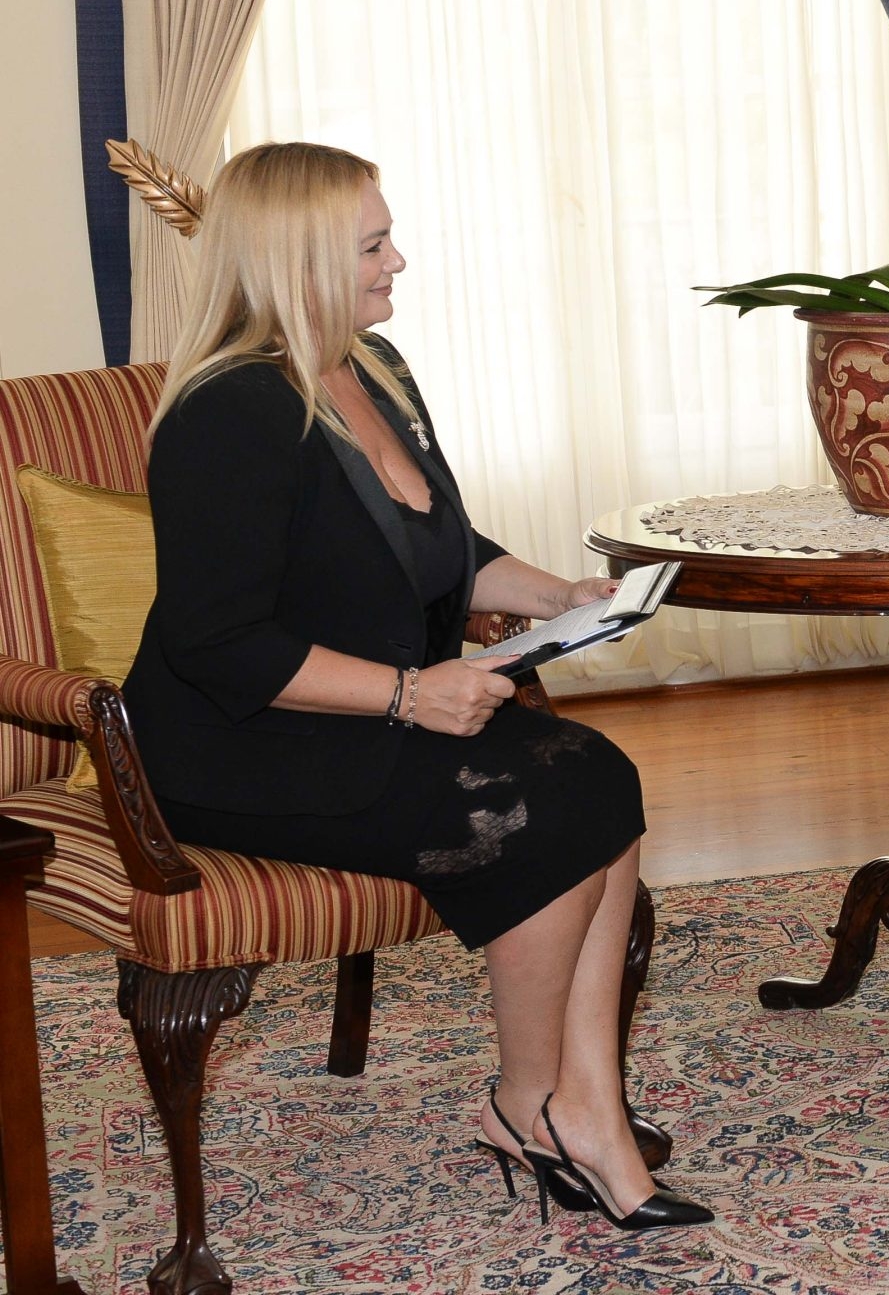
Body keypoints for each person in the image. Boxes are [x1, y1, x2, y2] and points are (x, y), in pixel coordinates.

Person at [122, 141, 709, 1230]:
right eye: (373, 244)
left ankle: (584, 1103)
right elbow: (217, 643)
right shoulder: (230, 414)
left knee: (600, 774)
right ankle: (529, 1102)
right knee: (543, 804)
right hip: (240, 746)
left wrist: (561, 595)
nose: (401, 260)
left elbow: (440, 545)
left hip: (364, 711)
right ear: (296, 263)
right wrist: (408, 695)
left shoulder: (374, 369)